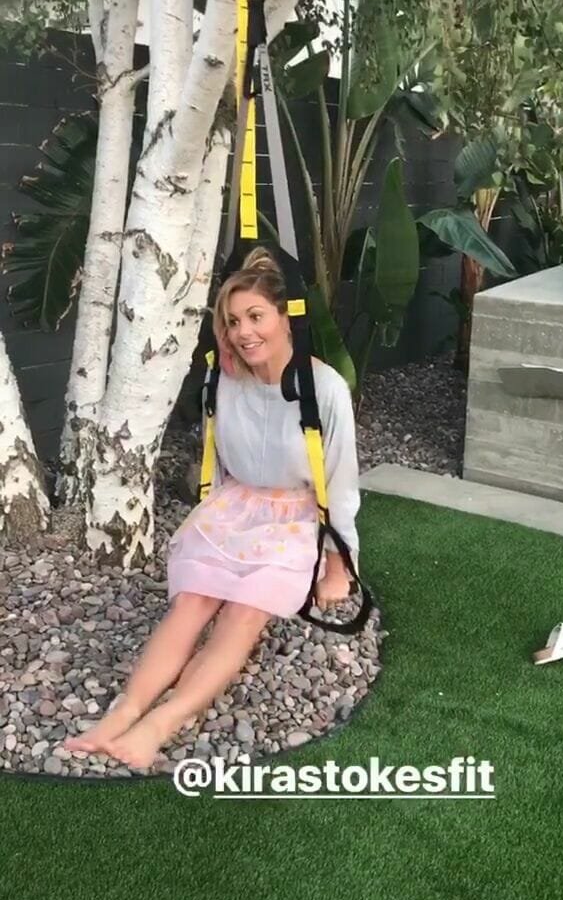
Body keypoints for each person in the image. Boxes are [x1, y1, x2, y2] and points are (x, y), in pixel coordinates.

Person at [65, 247, 361, 769]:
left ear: (286, 317)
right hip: (236, 507)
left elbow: (340, 484)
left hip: (295, 519)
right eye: (233, 321)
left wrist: (338, 565)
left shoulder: (325, 389)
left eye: (256, 316)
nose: (244, 332)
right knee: (192, 602)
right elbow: (220, 466)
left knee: (244, 613)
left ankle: (160, 724)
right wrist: (218, 527)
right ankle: (124, 711)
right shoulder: (221, 381)